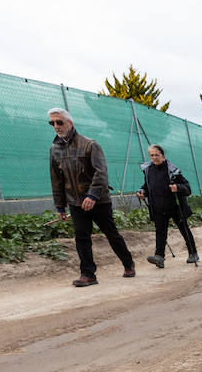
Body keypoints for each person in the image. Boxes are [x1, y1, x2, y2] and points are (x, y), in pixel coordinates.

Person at [47, 107, 136, 287]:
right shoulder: (54, 149)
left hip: (99, 200)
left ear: (70, 123)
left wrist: (92, 196)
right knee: (81, 237)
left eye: (59, 122)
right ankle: (88, 274)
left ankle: (128, 263)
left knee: (111, 234)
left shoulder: (90, 145)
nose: (56, 126)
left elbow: (101, 173)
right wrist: (59, 207)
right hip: (75, 202)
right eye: (52, 123)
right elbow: (56, 180)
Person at [136, 145, 199, 267]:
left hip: (175, 206)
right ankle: (159, 257)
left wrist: (178, 188)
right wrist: (142, 192)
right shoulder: (148, 170)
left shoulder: (172, 171)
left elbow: (187, 188)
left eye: (157, 155)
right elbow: (147, 186)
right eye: (152, 155)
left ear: (163, 156)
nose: (154, 158)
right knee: (160, 232)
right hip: (159, 207)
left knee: (184, 230)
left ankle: (193, 253)